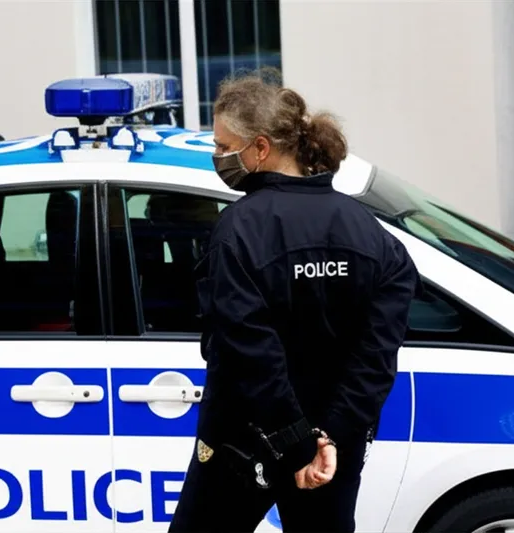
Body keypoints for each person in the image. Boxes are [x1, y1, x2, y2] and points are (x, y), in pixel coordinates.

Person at [168, 68, 421, 533]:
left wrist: (297, 442)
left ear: (260, 148)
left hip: (245, 443)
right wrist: (330, 438)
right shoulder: (369, 232)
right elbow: (376, 356)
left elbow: (250, 353)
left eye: (224, 147)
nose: (218, 157)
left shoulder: (239, 230)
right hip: (333, 448)